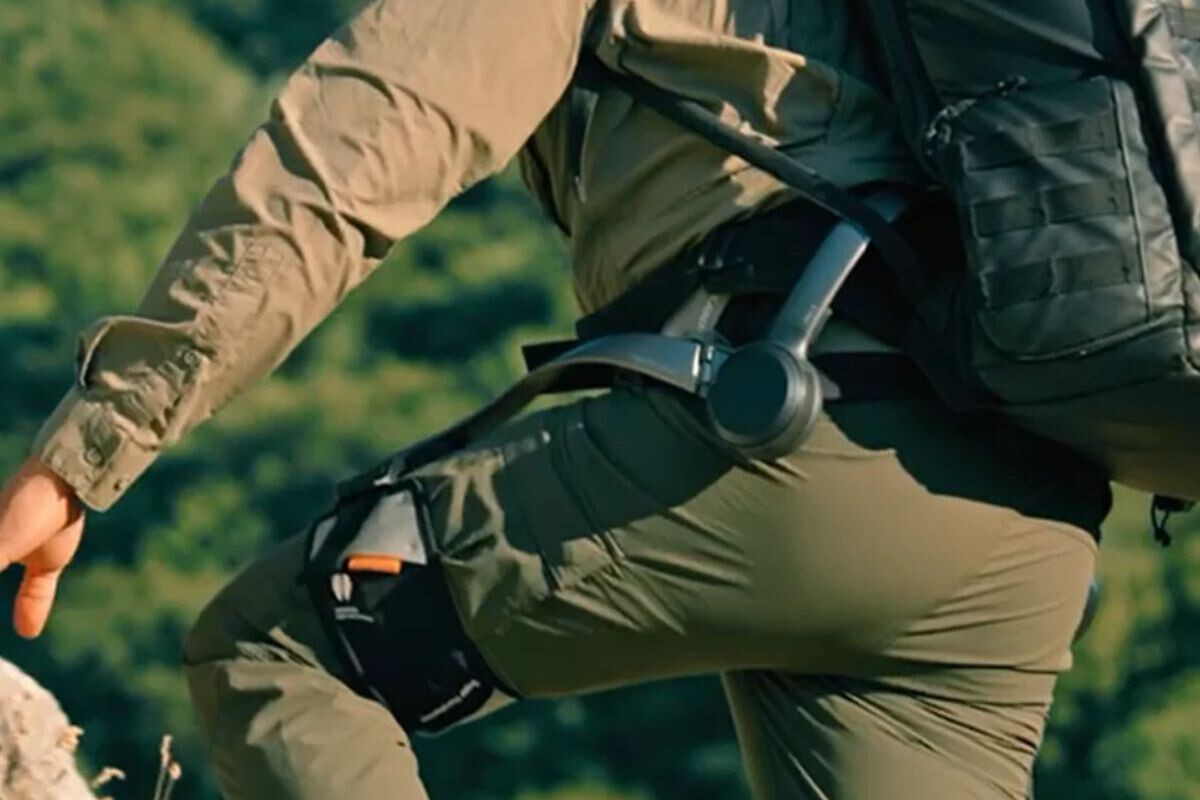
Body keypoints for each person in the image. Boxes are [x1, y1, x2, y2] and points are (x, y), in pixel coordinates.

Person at [0, 1, 1113, 797]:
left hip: (788, 424)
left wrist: (94, 443)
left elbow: (360, 147)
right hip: (1025, 509)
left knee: (270, 650)